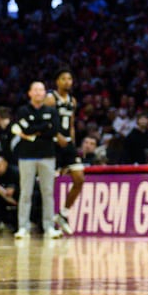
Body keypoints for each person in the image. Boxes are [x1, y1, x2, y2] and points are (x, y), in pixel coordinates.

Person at [11, 81, 64, 240]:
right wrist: (43, 127)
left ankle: (49, 227)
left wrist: (35, 129)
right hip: (26, 156)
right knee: (25, 193)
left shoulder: (52, 111)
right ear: (29, 93)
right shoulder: (22, 111)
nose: (38, 92)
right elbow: (25, 129)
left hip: (47, 156)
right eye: (35, 90)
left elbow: (54, 130)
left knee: (47, 192)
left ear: (45, 93)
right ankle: (23, 227)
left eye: (41, 90)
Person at [50, 70, 83, 234]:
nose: (67, 81)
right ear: (57, 81)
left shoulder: (72, 101)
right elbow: (46, 120)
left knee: (79, 179)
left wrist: (73, 145)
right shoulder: (51, 98)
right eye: (63, 78)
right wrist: (56, 135)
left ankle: (63, 214)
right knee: (48, 185)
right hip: (53, 144)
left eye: (69, 78)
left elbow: (71, 125)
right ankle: (45, 220)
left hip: (68, 145)